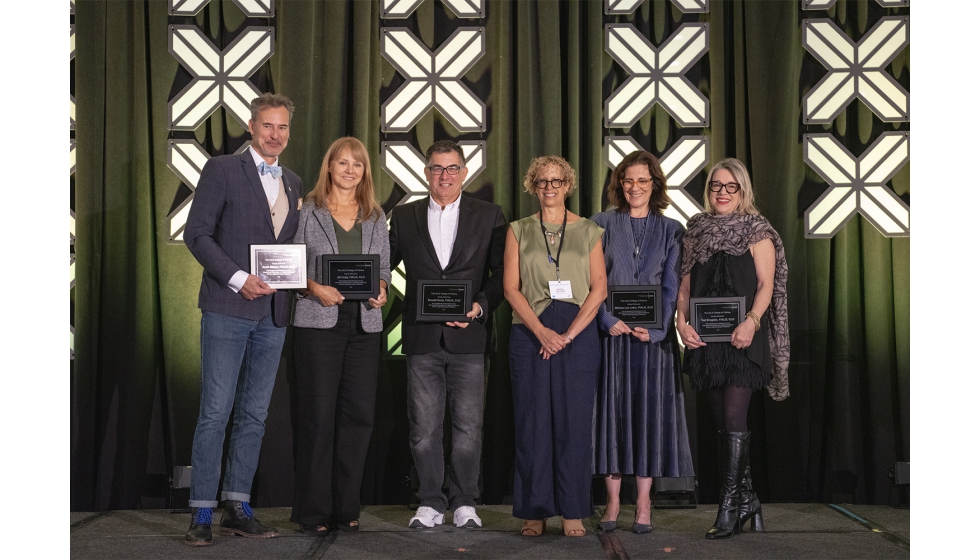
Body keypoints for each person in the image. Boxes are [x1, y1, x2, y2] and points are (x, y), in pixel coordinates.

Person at [182, 93, 302, 546]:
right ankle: (201, 511)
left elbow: (288, 249)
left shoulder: (293, 181)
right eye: (268, 125)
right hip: (228, 307)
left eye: (282, 127)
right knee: (215, 411)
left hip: (273, 313)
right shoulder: (222, 169)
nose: (275, 134)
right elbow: (197, 234)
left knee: (254, 414)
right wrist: (237, 278)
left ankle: (237, 505)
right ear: (251, 127)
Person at [388, 140, 506, 530]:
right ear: (426, 173)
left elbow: (501, 276)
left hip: (469, 338)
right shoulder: (403, 216)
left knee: (469, 428)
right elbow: (383, 266)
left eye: (452, 168)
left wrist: (479, 307)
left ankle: (465, 501)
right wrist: (373, 285)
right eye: (437, 168)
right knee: (423, 429)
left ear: (464, 172)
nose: (445, 176)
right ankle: (430, 501)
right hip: (422, 337)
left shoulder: (489, 215)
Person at [675, 158, 790, 539]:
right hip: (706, 344)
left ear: (742, 190)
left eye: (730, 187)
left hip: (744, 341)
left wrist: (752, 322)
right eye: (715, 186)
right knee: (723, 425)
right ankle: (748, 500)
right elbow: (685, 287)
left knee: (735, 419)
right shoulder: (695, 230)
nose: (722, 193)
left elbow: (766, 285)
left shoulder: (758, 230)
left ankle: (728, 508)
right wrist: (681, 323)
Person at [289, 137, 390, 534]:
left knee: (358, 417)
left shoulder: (375, 215)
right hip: (318, 323)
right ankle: (313, 512)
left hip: (364, 325)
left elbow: (383, 267)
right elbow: (292, 266)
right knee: (317, 417)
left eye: (358, 164)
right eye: (343, 163)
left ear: (365, 172)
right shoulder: (307, 211)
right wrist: (315, 288)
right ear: (329, 166)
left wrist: (381, 287)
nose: (350, 170)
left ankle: (347, 508)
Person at [591, 151, 695, 534]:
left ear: (655, 185)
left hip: (654, 344)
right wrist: (605, 319)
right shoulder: (599, 224)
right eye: (628, 180)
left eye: (643, 181)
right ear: (620, 184)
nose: (635, 187)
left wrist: (659, 330)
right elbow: (591, 281)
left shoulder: (672, 230)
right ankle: (613, 502)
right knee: (612, 417)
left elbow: (671, 287)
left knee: (648, 419)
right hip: (611, 338)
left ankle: (645, 502)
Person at [504, 156, 606, 538]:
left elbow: (599, 289)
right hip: (529, 331)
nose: (549, 187)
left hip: (577, 334)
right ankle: (534, 511)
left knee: (573, 425)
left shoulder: (589, 230)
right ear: (533, 186)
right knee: (532, 424)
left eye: (556, 181)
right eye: (542, 181)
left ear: (568, 185)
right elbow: (510, 288)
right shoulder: (518, 230)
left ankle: (572, 510)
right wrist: (542, 332)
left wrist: (568, 335)